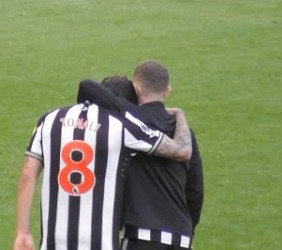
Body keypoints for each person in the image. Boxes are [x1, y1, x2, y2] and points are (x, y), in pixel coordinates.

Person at [12, 80, 193, 250]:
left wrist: (22, 231)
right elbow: (182, 151)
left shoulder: (48, 120)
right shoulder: (123, 126)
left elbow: (28, 174)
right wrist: (179, 115)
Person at [77, 60, 204, 250]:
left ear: (135, 90)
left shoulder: (127, 121)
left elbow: (87, 86)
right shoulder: (184, 134)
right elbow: (195, 192)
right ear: (167, 91)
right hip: (181, 239)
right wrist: (187, 231)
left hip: (141, 237)